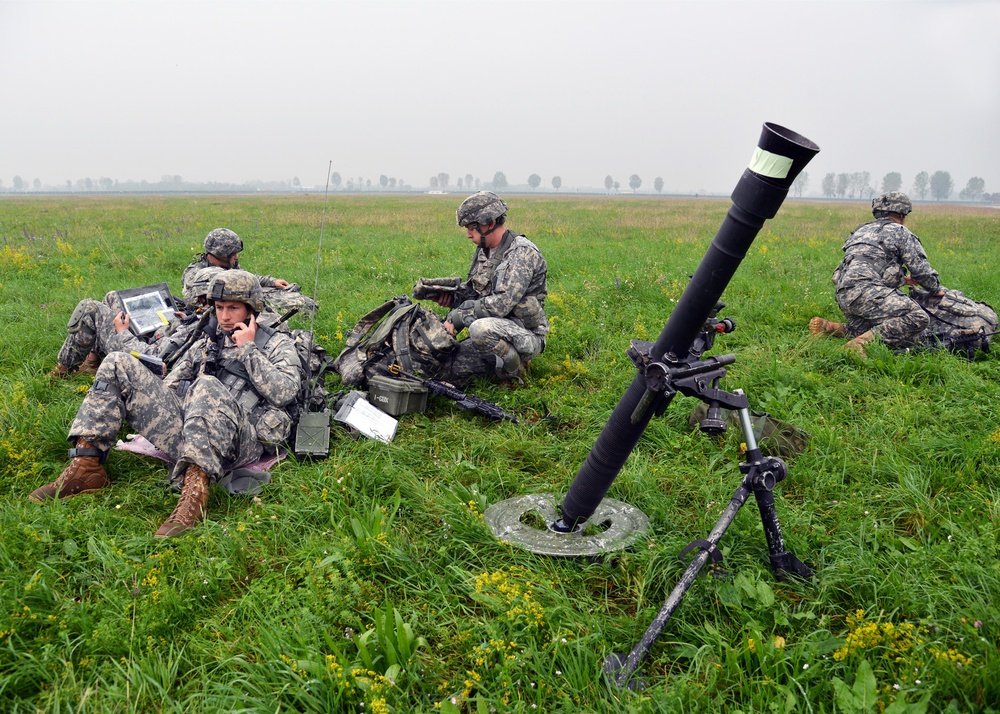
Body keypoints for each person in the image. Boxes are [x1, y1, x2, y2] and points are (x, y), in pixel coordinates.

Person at [30, 270, 303, 538]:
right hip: (193, 431)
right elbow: (169, 386)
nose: (224, 316)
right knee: (116, 362)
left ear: (251, 310)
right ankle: (86, 467)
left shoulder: (277, 345)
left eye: (233, 308)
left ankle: (195, 492)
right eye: (219, 307)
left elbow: (285, 393)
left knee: (206, 384)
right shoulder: (207, 343)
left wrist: (248, 350)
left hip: (241, 441)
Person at [416, 191, 548, 385]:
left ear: (490, 223)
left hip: (524, 334)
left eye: (472, 228)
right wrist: (450, 297)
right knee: (444, 367)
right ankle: (495, 364)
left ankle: (515, 371)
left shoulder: (522, 253)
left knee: (479, 329)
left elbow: (500, 304)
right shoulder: (484, 251)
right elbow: (477, 294)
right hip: (496, 330)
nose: (469, 235)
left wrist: (458, 317)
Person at [809, 191, 944, 357]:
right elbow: (921, 271)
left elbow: (868, 266)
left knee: (873, 329)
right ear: (902, 214)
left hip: (844, 294)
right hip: (867, 293)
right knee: (917, 317)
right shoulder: (900, 232)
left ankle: (829, 327)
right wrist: (936, 289)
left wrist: (903, 280)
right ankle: (859, 345)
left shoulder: (861, 231)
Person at [50, 267, 226, 378]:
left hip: (138, 355)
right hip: (156, 336)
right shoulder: (209, 321)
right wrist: (183, 320)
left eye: (203, 299)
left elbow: (153, 357)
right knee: (112, 297)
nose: (199, 302)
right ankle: (92, 362)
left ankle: (62, 370)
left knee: (89, 309)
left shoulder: (202, 330)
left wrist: (123, 332)